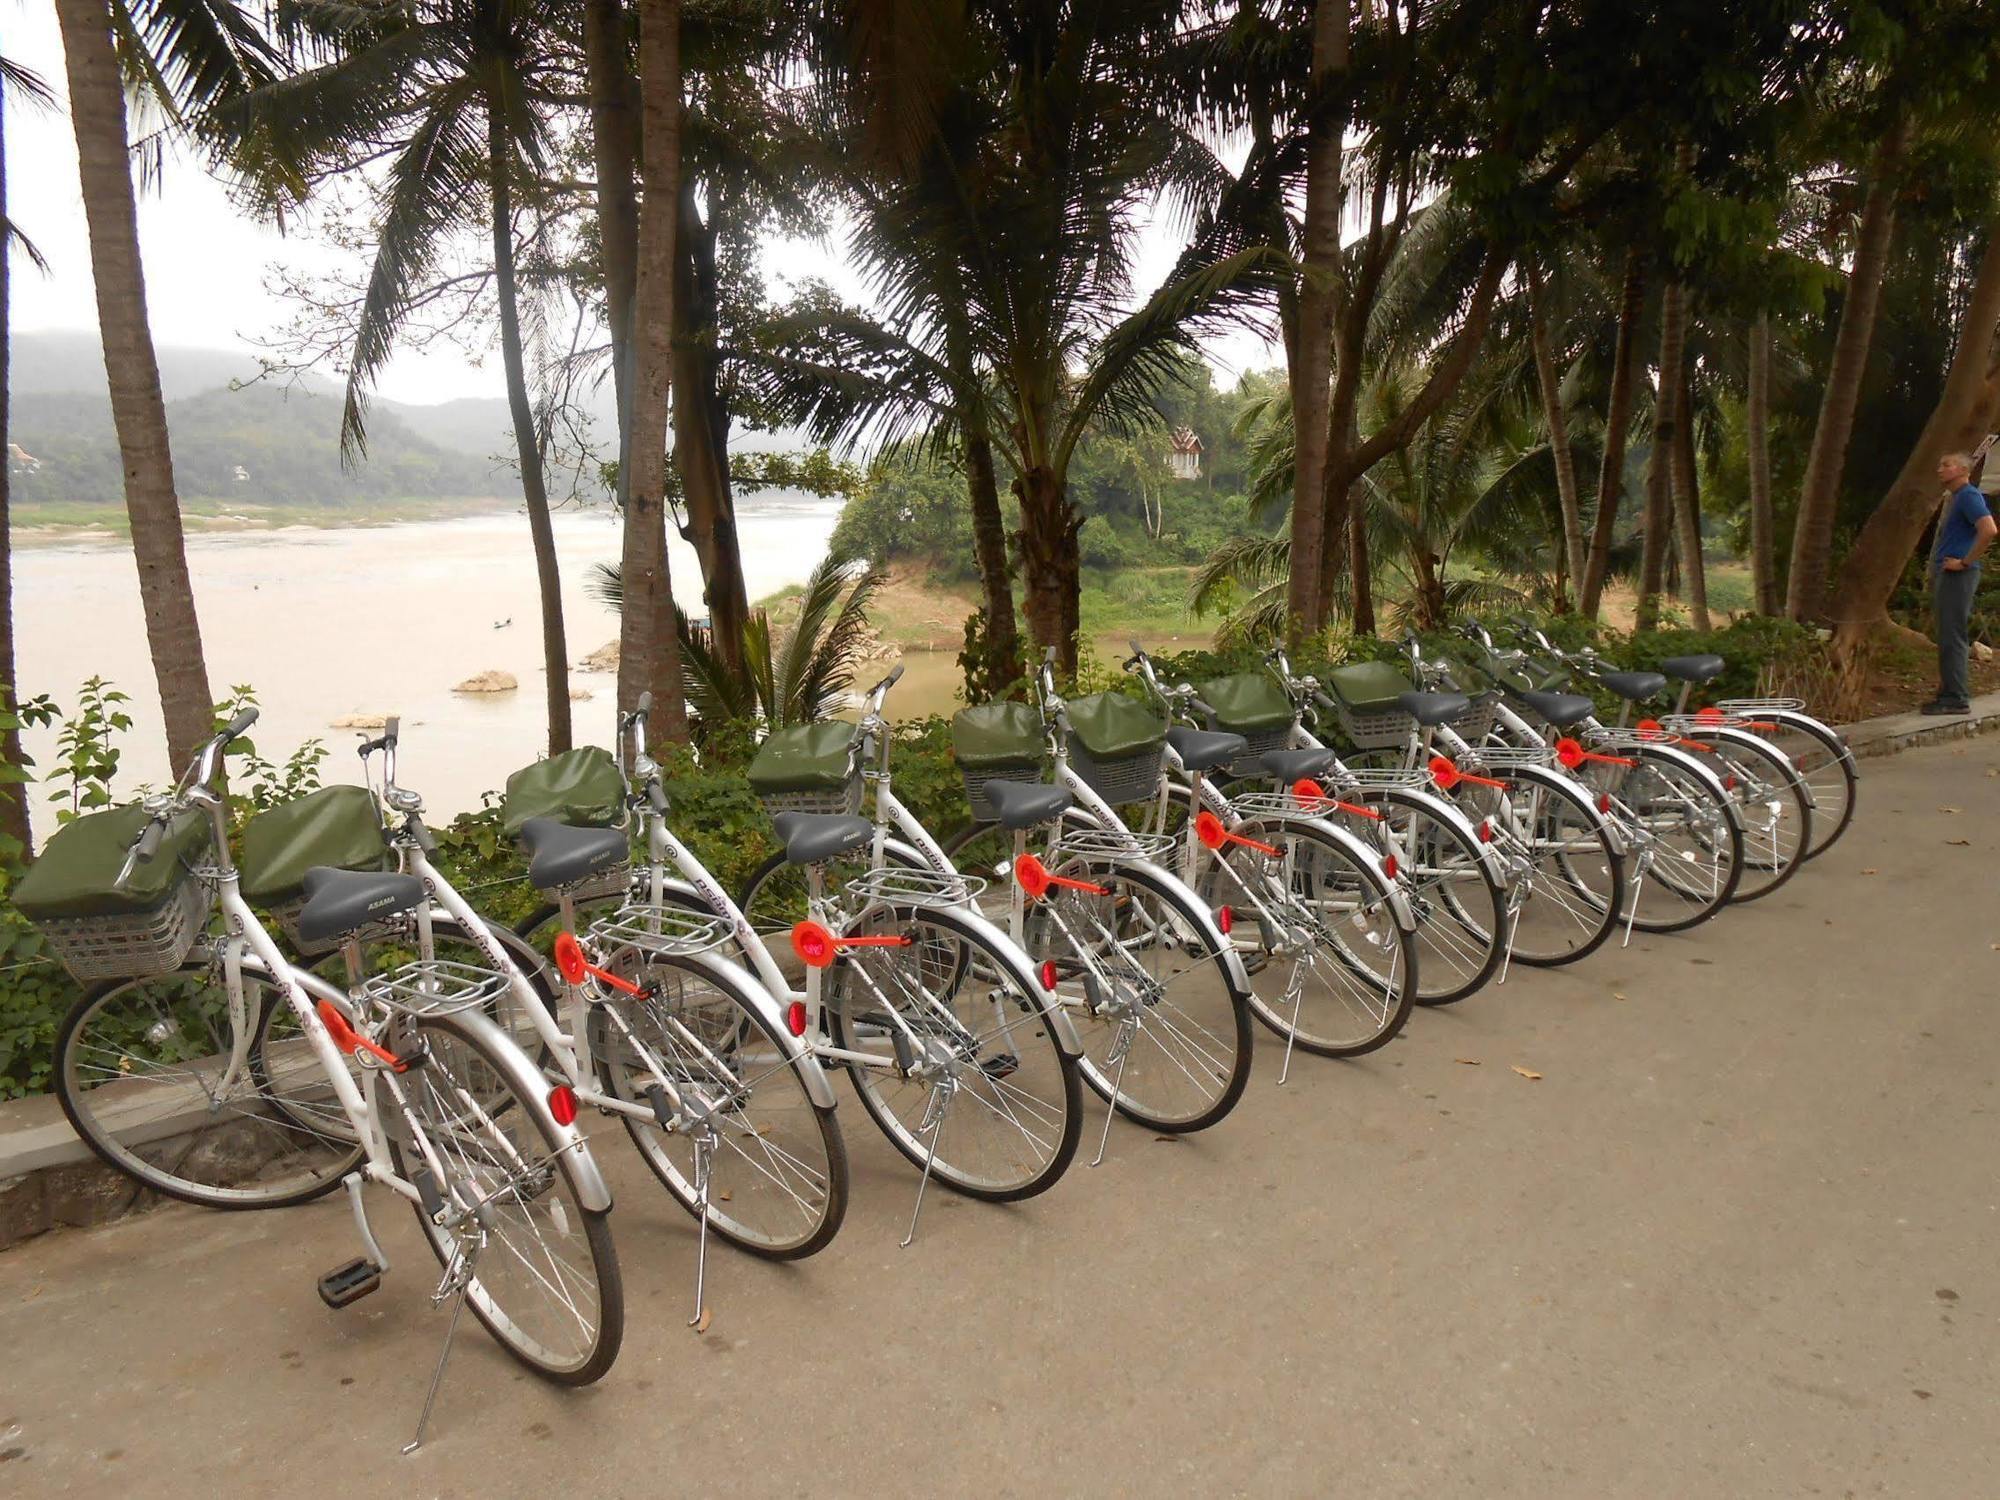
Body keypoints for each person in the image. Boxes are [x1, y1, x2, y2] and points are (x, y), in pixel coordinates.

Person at [1924, 450, 1997, 715]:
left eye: (1947, 465)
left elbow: (1989, 529)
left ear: (1963, 470)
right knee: (1946, 632)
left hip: (1959, 573)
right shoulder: (1957, 498)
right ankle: (1948, 692)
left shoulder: (1968, 495)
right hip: (1950, 572)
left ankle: (1955, 697)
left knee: (1953, 634)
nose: (1940, 469)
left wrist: (1964, 562)